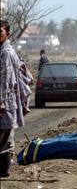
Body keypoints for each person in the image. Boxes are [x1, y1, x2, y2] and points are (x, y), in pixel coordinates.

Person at [0, 20, 25, 177]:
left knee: (4, 139)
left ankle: (4, 170)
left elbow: (6, 82)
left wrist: (0, 105)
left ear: (7, 34)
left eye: (0, 32)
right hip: (7, 103)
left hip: (5, 104)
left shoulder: (5, 53)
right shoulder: (6, 51)